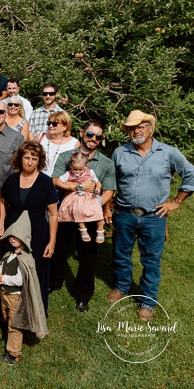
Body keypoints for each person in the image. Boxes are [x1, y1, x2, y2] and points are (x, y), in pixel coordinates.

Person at [108, 110, 194, 321]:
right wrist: (107, 206)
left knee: (151, 260)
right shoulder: (120, 152)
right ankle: (121, 286)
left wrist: (175, 202)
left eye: (140, 127)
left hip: (154, 217)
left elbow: (192, 176)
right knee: (121, 254)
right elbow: (110, 181)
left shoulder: (168, 152)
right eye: (132, 128)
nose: (136, 131)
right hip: (124, 213)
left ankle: (147, 301)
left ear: (150, 129)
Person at [50, 119, 116, 313]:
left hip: (89, 215)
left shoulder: (106, 163)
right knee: (59, 249)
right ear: (81, 133)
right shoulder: (66, 157)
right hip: (67, 211)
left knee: (88, 256)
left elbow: (109, 191)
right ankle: (54, 282)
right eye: (90, 134)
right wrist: (77, 187)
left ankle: (83, 295)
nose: (93, 139)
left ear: (101, 139)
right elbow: (55, 180)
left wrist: (93, 207)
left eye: (98, 136)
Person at [0, 141, 59, 314]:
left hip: (37, 233)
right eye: (26, 157)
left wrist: (52, 241)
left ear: (39, 160)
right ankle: (8, 310)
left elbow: (53, 213)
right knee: (12, 267)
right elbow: (2, 203)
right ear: (20, 159)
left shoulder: (46, 182)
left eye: (34, 158)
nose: (30, 162)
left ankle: (34, 312)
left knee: (35, 270)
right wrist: (0, 226)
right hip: (13, 231)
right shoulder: (12, 179)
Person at [0, 212, 48, 365]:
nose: (12, 238)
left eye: (16, 236)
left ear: (24, 238)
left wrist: (3, 279)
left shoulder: (25, 259)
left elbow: (20, 279)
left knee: (15, 325)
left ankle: (13, 354)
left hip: (15, 298)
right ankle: (12, 344)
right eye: (11, 235)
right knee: (8, 320)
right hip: (5, 294)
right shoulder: (9, 254)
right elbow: (1, 266)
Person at [57, 152, 105, 242]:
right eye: (75, 169)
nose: (77, 172)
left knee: (97, 209)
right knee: (77, 210)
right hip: (75, 195)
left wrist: (98, 188)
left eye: (80, 169)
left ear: (86, 166)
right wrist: (69, 187)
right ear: (71, 166)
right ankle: (83, 230)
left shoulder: (90, 172)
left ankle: (100, 229)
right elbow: (58, 182)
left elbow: (98, 182)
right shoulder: (68, 174)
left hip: (89, 196)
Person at [36, 110, 79, 176]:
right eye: (49, 123)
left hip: (61, 182)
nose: (50, 126)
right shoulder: (40, 138)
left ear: (65, 127)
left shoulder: (74, 144)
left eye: (54, 124)